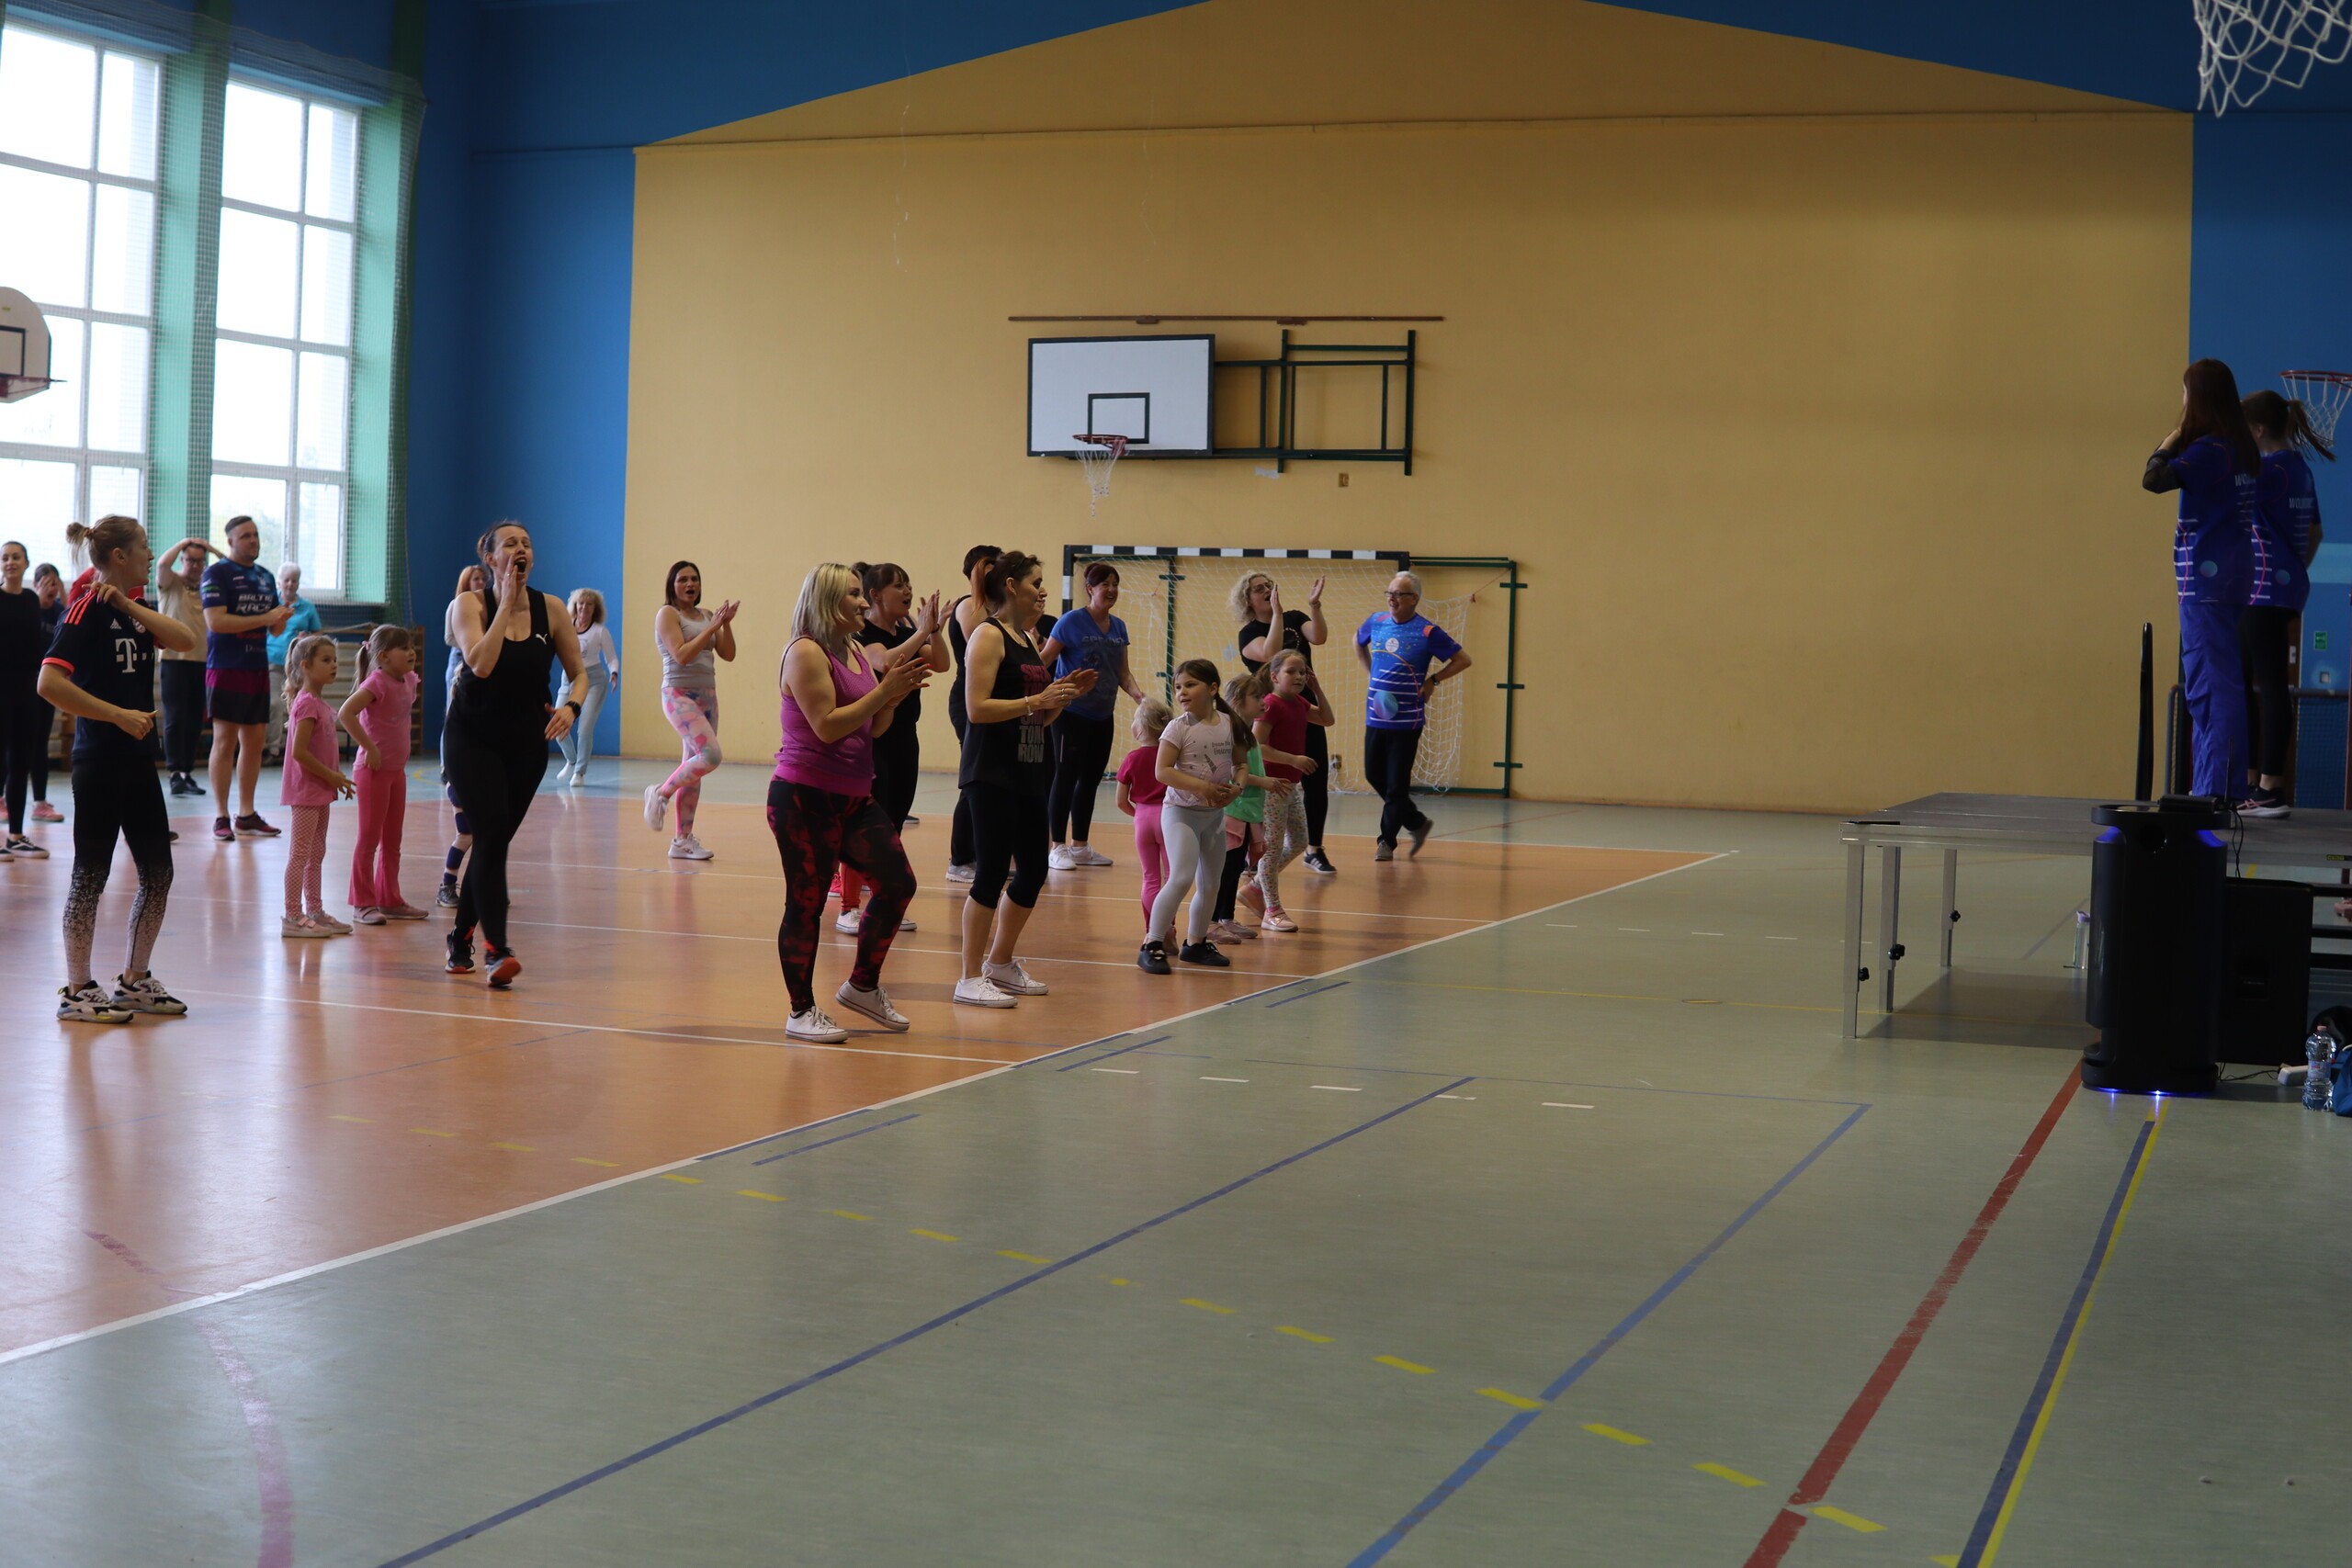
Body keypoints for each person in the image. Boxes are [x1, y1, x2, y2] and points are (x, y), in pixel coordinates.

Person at [37, 517, 198, 1023]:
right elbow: (48, 683)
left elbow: (186, 639)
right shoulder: (83, 610)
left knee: (159, 872)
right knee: (90, 876)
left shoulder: (136, 609)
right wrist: (116, 714)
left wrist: (128, 605)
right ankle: (77, 989)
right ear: (121, 556)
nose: (151, 555)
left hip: (138, 761)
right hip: (99, 760)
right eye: (144, 547)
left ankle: (134, 979)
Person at [770, 562, 931, 1041]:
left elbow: (872, 728)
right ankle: (800, 1011)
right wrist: (884, 692)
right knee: (807, 901)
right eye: (854, 594)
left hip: (854, 796)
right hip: (804, 797)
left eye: (863, 594)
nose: (864, 602)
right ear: (827, 601)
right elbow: (827, 726)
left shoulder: (855, 650)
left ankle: (862, 986)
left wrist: (893, 699)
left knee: (898, 884)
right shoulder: (805, 652)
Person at [443, 522, 589, 989]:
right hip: (472, 739)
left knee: (493, 842)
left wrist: (570, 706)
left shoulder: (553, 608)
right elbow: (481, 664)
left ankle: (461, 937)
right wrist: (505, 603)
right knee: (489, 834)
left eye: (526, 543)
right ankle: (497, 951)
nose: (520, 549)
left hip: (526, 744)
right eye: (510, 544)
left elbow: (579, 674)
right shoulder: (469, 605)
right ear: (490, 558)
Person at [956, 550, 1091, 1007]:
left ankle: (1000, 963)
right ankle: (968, 977)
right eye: (1035, 582)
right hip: (991, 772)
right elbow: (978, 709)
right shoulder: (987, 635)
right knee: (991, 873)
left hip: (1030, 768)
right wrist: (1038, 701)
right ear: (1011, 586)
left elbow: (1039, 716)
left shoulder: (1028, 640)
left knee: (1033, 870)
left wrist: (1063, 697)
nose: (1043, 591)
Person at [2143, 360, 2262, 801]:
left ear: (2199, 398)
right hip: (2231, 575)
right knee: (2217, 682)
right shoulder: (2239, 448)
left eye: (2185, 393)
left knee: (2210, 685)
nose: (2182, 401)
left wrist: (2173, 437)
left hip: (2208, 582)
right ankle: (2213, 785)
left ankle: (2216, 789)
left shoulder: (2211, 450)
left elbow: (2153, 478)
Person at [1139, 659, 1272, 975]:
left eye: (1190, 684)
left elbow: (1241, 764)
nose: (1182, 692)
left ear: (1212, 688)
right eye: (1178, 687)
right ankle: (1152, 943)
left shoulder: (1230, 724)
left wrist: (1237, 789)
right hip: (1181, 813)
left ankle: (1195, 943)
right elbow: (1162, 771)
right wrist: (1204, 788)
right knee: (1181, 877)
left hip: (1213, 816)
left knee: (1211, 883)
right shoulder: (1178, 728)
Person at [837, 561, 947, 936]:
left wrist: (933, 631)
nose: (907, 590)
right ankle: (848, 907)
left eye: (908, 583)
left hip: (905, 736)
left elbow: (942, 662)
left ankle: (882, 900)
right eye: (898, 585)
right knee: (866, 823)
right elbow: (883, 661)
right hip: (874, 737)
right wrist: (923, 632)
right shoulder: (863, 632)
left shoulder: (906, 631)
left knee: (895, 819)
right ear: (875, 595)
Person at [2237, 390, 2333, 818]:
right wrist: (2292, 570)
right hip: (2283, 590)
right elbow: (2315, 533)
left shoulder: (2268, 471)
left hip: (2260, 591)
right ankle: (2252, 783)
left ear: (2258, 430)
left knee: (2268, 684)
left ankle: (2269, 788)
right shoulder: (2300, 471)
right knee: (2251, 680)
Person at [1354, 570, 1472, 860]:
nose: (1391, 598)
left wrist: (1433, 681)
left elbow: (1463, 659)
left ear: (1414, 598)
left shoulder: (1427, 632)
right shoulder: (1377, 621)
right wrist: (1371, 673)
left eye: (1398, 594)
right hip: (1376, 716)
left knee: (1396, 784)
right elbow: (1358, 641)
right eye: (1389, 593)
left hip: (1408, 720)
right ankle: (1416, 822)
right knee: (1373, 774)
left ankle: (1386, 841)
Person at [1040, 562, 1147, 869]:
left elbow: (1123, 673)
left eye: (1115, 584)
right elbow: (1044, 660)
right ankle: (1057, 846)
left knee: (1090, 780)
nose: (1111, 590)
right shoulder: (1071, 622)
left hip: (1102, 715)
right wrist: (1038, 695)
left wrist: (1140, 697)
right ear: (1090, 589)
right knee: (1065, 777)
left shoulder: (1119, 627)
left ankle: (1080, 846)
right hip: (1070, 713)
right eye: (1104, 584)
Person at [1235, 570, 1336, 874]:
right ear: (1248, 600)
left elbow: (1319, 636)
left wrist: (1314, 605)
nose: (1266, 590)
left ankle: (1313, 849)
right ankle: (1256, 853)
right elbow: (1270, 652)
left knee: (1315, 779)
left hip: (1302, 708)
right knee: (1268, 783)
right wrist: (1277, 613)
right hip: (1272, 713)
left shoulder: (1294, 617)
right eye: (1258, 588)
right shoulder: (1249, 633)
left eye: (1269, 585)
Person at [200, 515, 291, 841]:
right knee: (224, 741)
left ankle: (247, 814)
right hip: (226, 668)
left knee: (254, 743)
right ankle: (221, 816)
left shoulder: (265, 577)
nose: (253, 540)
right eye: (245, 536)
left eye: (255, 535)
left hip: (257, 668)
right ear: (230, 542)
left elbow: (275, 628)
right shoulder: (216, 574)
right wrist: (266, 617)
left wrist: (281, 617)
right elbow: (216, 622)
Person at [643, 559, 738, 861]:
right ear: (672, 585)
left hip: (707, 696)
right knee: (711, 755)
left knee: (694, 769)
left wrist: (725, 624)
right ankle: (660, 793)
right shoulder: (667, 614)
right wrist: (711, 628)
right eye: (682, 579)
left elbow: (728, 654)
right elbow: (682, 655)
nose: (690, 584)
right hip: (678, 694)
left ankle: (682, 840)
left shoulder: (707, 615)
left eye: (694, 579)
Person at [341, 624, 425, 924]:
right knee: (369, 838)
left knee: (392, 839)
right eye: (404, 648)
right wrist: (370, 748)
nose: (412, 652)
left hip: (396, 771)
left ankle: (389, 898)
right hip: (373, 771)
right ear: (384, 656)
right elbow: (346, 713)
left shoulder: (408, 680)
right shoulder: (376, 683)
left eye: (411, 647)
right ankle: (362, 902)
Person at [278, 632, 355, 938]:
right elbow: (299, 753)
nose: (334, 665)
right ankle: (292, 916)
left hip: (321, 789)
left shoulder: (319, 703)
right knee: (300, 854)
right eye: (326, 660)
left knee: (316, 852)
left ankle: (314, 909)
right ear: (306, 666)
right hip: (306, 791)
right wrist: (331, 776)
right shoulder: (307, 704)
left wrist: (336, 779)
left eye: (334, 660)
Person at [1254, 649, 1331, 931]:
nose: (1298, 676)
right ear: (1274, 676)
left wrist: (1317, 688)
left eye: (1302, 672)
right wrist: (1292, 759)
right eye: (1291, 672)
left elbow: (1327, 719)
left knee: (1300, 841)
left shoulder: (1299, 702)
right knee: (1272, 849)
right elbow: (1256, 745)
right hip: (1271, 785)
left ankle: (1254, 886)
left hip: (1290, 786)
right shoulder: (1270, 705)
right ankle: (1272, 910)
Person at [944, 544, 1000, 884]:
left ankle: (983, 855)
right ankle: (960, 859)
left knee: (991, 781)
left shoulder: (996, 608)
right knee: (975, 781)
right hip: (968, 702)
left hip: (992, 701)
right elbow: (985, 648)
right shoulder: (969, 606)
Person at [1208, 672, 1277, 944]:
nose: (1263, 701)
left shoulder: (1249, 733)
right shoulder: (1229, 732)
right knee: (1225, 868)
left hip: (1249, 811)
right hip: (1232, 811)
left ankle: (1226, 917)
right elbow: (1231, 774)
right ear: (1238, 700)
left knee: (1236, 867)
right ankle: (1212, 920)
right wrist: (1264, 782)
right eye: (1256, 697)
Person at [437, 563, 487, 908]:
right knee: (467, 833)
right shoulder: (459, 703)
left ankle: (485, 886)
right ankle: (447, 884)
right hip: (460, 775)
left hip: (481, 773)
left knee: (489, 835)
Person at [153, 536, 215, 795]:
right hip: (174, 660)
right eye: (190, 560)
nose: (195, 566)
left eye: (200, 561)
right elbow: (161, 564)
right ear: (182, 560)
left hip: (203, 661)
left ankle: (187, 773)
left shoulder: (209, 586)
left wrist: (211, 548)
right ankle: (174, 772)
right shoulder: (171, 582)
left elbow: (232, 566)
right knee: (175, 718)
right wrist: (184, 542)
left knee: (194, 720)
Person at [2, 541, 51, 861]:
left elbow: (36, 645)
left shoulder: (32, 600)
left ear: (26, 562)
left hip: (26, 690)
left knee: (21, 764)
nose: (10, 562)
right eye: (5, 558)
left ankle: (16, 836)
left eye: (15, 557)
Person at [1115, 696, 1174, 927]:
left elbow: (1121, 801)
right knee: (1172, 878)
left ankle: (1152, 931)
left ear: (1140, 727)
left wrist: (1139, 815)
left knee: (1150, 879)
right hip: (1170, 819)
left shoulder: (1132, 758)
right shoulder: (1172, 757)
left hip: (1143, 821)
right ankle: (1168, 928)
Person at [556, 588, 618, 787]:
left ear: (595, 608)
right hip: (569, 679)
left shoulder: (600, 631)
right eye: (581, 603)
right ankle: (572, 760)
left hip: (594, 682)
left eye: (589, 604)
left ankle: (580, 772)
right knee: (557, 724)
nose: (584, 607)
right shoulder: (566, 627)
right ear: (575, 606)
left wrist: (614, 673)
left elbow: (611, 657)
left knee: (584, 728)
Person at [264, 562, 326, 761]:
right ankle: (273, 749)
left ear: (298, 583)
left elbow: (318, 633)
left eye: (294, 580)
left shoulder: (307, 608)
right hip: (272, 663)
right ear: (279, 582)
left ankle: (298, 748)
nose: (290, 584)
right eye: (287, 580)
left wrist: (307, 638)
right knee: (274, 704)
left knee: (300, 706)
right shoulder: (271, 604)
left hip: (298, 666)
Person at [28, 563, 65, 824]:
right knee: (12, 743)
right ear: (36, 585)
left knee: (40, 743)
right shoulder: (27, 608)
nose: (51, 588)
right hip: (21, 686)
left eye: (55, 583)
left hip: (46, 687)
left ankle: (40, 803)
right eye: (46, 583)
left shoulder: (60, 612)